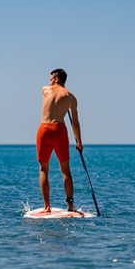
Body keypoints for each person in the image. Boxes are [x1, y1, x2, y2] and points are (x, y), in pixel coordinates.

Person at [37, 68, 83, 212]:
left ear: (57, 79)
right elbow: (75, 122)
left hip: (43, 129)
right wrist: (79, 141)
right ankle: (70, 205)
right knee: (65, 170)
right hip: (59, 129)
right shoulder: (71, 97)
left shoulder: (45, 90)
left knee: (43, 169)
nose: (49, 82)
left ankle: (47, 207)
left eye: (51, 79)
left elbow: (50, 91)